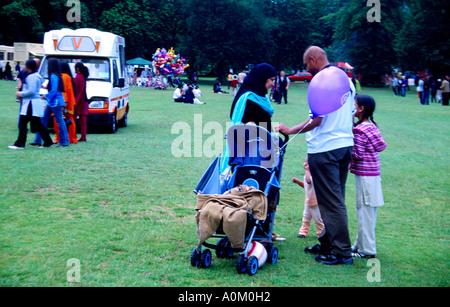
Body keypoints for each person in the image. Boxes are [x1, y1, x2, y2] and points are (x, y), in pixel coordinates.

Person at [276, 46, 355, 265]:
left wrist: (290, 130)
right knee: (333, 198)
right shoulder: (345, 79)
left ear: (313, 59)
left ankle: (341, 252)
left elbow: (316, 120)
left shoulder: (321, 81)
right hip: (344, 145)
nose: (307, 69)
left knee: (331, 201)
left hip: (325, 148)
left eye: (306, 65)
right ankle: (328, 243)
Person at [350, 95, 387, 258]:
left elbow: (357, 154)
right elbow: (381, 146)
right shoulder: (371, 127)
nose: (352, 106)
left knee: (364, 212)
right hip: (373, 175)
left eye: (355, 104)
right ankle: (359, 245)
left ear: (361, 108)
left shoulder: (359, 130)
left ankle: (367, 251)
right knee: (369, 212)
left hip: (365, 175)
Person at [9, 59, 53, 149]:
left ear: (28, 67)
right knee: (37, 124)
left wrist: (20, 94)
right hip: (33, 103)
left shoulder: (31, 77)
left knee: (22, 123)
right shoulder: (37, 76)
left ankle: (20, 143)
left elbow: (31, 91)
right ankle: (48, 142)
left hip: (31, 103)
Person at [40, 58, 70, 147]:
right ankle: (43, 139)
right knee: (44, 119)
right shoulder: (56, 76)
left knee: (59, 121)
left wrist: (45, 96)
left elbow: (54, 91)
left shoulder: (53, 76)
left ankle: (64, 142)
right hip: (53, 101)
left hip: (55, 101)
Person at [293, 157, 324, 238]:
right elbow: (306, 185)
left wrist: (307, 170)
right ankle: (303, 232)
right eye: (305, 162)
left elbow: (309, 181)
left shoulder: (315, 175)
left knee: (318, 220)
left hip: (316, 202)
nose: (306, 164)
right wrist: (298, 182)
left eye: (308, 163)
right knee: (305, 218)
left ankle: (321, 233)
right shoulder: (308, 175)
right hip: (308, 202)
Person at [53, 62, 78, 144]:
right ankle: (72, 138)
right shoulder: (69, 77)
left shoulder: (63, 77)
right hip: (69, 102)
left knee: (58, 120)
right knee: (70, 119)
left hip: (64, 102)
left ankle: (59, 138)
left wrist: (64, 102)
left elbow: (64, 90)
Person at [74, 62, 89, 142]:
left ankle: (73, 136)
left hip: (79, 101)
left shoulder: (78, 77)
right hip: (84, 101)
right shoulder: (83, 76)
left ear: (77, 68)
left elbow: (76, 90)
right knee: (83, 122)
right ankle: (83, 137)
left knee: (73, 119)